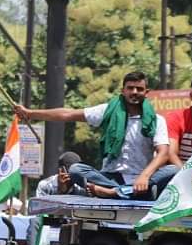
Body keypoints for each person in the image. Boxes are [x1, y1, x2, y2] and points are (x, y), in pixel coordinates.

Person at [15, 72, 174, 200]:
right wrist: (30, 113)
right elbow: (67, 114)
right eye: (130, 88)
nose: (134, 92)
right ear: (123, 91)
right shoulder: (108, 112)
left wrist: (145, 177)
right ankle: (124, 192)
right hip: (109, 179)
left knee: (174, 170)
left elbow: (163, 153)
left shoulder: (156, 120)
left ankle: (115, 194)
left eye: (139, 89)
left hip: (141, 180)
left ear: (146, 93)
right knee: (76, 169)